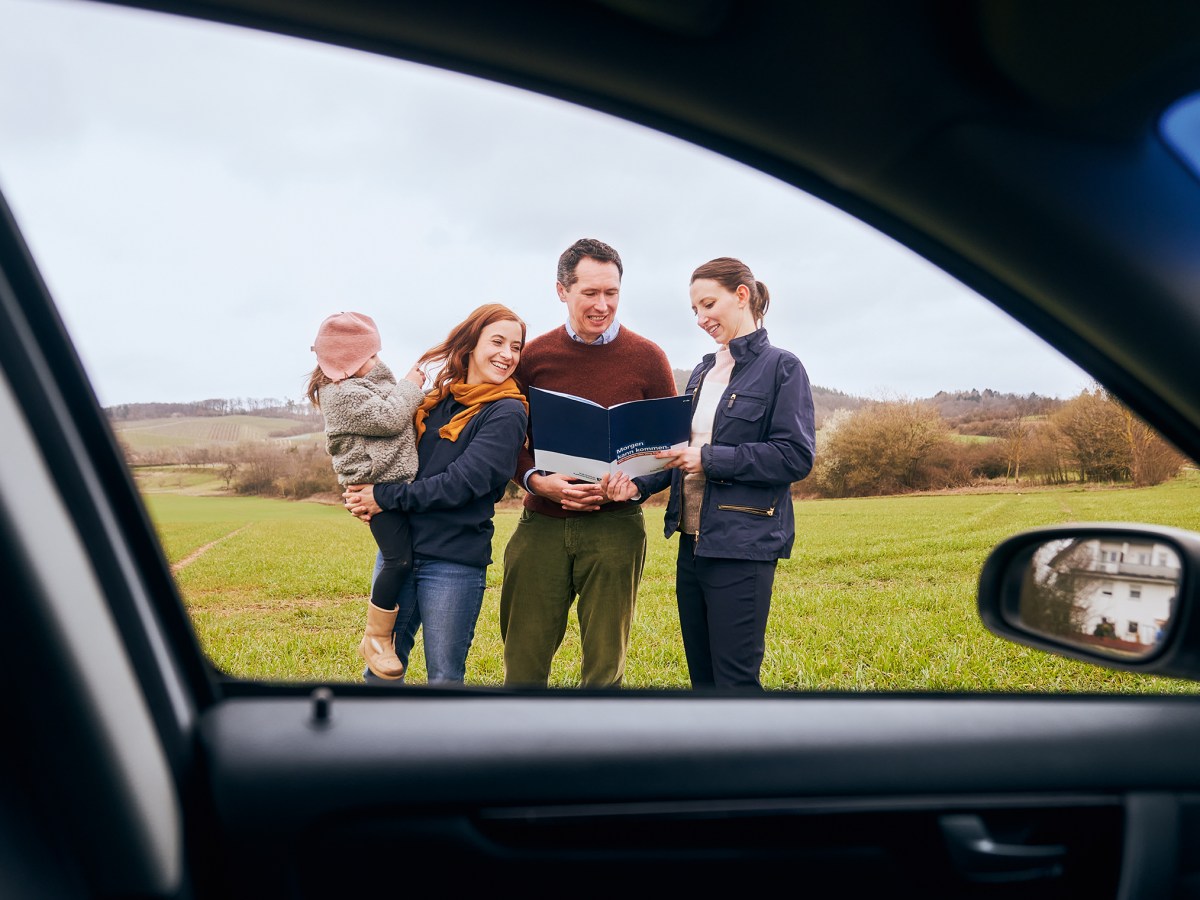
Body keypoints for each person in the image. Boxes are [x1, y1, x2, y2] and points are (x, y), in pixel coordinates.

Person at [606, 257, 815, 689]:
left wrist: (711, 458)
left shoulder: (782, 368)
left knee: (735, 681)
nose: (701, 319)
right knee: (702, 681)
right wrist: (636, 485)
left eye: (708, 304)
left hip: (743, 547)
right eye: (695, 311)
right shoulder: (702, 373)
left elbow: (794, 456)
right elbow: (680, 456)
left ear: (742, 296)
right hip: (691, 546)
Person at [500, 238, 677, 688]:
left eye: (612, 293)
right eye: (590, 293)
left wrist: (637, 487)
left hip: (616, 528)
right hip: (541, 525)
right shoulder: (533, 357)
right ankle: (518, 747)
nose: (602, 305)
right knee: (523, 659)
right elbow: (503, 441)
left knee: (605, 666)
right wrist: (536, 480)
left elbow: (670, 452)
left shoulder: (649, 358)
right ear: (562, 291)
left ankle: (595, 752)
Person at [343, 304, 529, 684]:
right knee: (379, 672)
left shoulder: (507, 411)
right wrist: (364, 494)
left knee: (443, 678)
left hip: (453, 562)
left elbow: (463, 483)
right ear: (472, 344)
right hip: (399, 554)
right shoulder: (435, 401)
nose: (507, 355)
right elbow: (389, 460)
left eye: (516, 346)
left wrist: (385, 498)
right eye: (497, 342)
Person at [307, 311, 426, 680]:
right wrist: (410, 383)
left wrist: (402, 384)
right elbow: (391, 416)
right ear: (349, 362)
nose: (377, 363)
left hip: (391, 487)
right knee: (398, 561)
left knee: (405, 558)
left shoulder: (361, 384)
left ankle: (382, 638)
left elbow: (391, 398)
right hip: (374, 488)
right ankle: (376, 639)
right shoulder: (339, 394)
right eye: (369, 357)